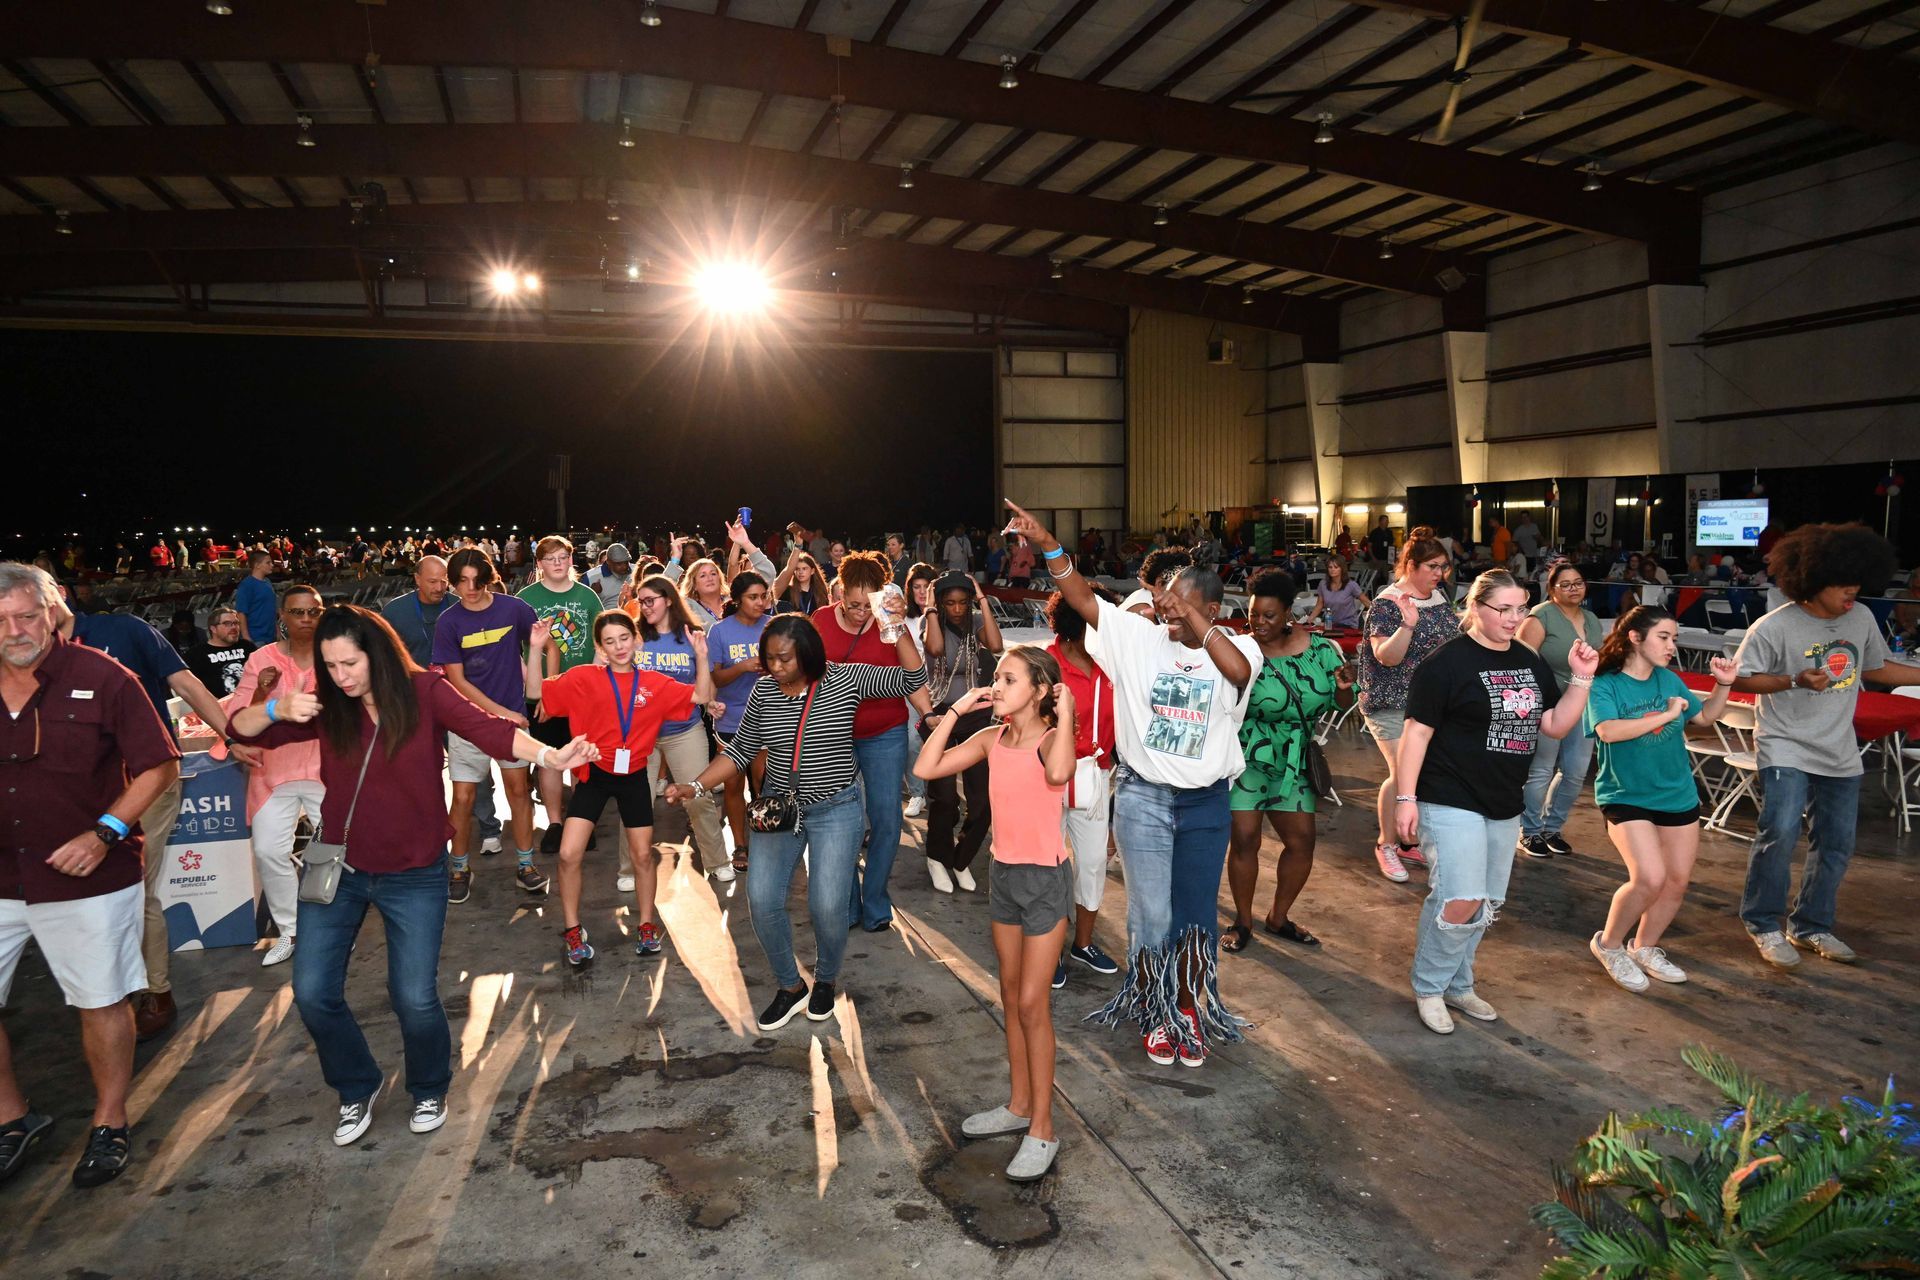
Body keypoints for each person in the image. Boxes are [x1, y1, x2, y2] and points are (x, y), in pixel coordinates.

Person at [229, 606, 594, 1146]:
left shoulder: (424, 692)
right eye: (330, 666)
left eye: (349, 663)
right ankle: (357, 1085)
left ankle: (428, 1085)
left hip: (415, 873)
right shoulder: (326, 702)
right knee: (311, 992)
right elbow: (238, 727)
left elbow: (489, 730)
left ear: (376, 653)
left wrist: (550, 756)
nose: (340, 676)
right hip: (341, 868)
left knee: (414, 998)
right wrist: (276, 706)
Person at [1004, 501, 1253, 1069]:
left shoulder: (1241, 650)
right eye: (1167, 601)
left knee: (1195, 916)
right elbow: (1079, 595)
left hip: (1207, 803)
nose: (1169, 612)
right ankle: (1156, 1009)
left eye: (1185, 604)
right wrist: (1047, 543)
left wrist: (1192, 620)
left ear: (1213, 611)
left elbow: (1237, 674)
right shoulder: (1138, 639)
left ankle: (1188, 1007)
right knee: (1152, 915)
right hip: (1143, 799)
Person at [0, 562, 180, 1188]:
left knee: (100, 999)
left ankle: (110, 1120)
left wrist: (105, 832)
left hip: (87, 876)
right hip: (1, 878)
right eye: (1, 620)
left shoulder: (103, 676)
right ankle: (12, 1119)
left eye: (27, 616)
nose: (15, 631)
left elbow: (159, 765)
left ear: (52, 613)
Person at [665, 613, 927, 1032]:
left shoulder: (847, 678)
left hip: (836, 808)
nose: (776, 666)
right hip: (779, 810)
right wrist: (694, 786)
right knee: (761, 898)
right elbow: (740, 751)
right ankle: (790, 986)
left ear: (807, 654)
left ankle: (825, 980)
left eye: (784, 658)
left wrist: (896, 628)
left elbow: (913, 678)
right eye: (769, 658)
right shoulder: (764, 691)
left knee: (828, 905)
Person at [1395, 570, 1596, 1035]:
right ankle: (1429, 986)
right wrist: (1405, 797)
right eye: (1502, 609)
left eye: (1520, 608)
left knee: (1485, 901)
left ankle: (1458, 983)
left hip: (1504, 799)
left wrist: (1582, 678)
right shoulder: (1445, 662)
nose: (1513, 618)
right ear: (1475, 607)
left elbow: (1554, 724)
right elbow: (1416, 734)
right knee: (1460, 897)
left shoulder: (1527, 659)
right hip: (1449, 794)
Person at [915, 647, 1076, 1183]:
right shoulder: (991, 739)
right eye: (997, 678)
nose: (997, 686)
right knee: (1009, 995)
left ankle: (1044, 1129)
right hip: (1003, 876)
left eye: (1009, 679)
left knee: (1032, 1003)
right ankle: (1019, 1105)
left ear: (1039, 690)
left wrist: (1066, 713)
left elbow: (1061, 772)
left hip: (1045, 882)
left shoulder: (1049, 741)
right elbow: (926, 767)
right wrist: (956, 710)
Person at [1731, 523, 1920, 968]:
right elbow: (1740, 678)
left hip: (1839, 748)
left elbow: (1876, 668)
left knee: (1836, 843)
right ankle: (1763, 923)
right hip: (1785, 744)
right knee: (1780, 832)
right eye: (1841, 582)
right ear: (1812, 581)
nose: (1852, 590)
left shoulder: (1861, 617)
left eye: (1857, 580)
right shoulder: (1773, 626)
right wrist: (1794, 680)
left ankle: (1811, 924)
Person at [65, 595, 235, 1042]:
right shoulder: (29, 655)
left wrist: (232, 736)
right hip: (76, 791)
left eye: (24, 611)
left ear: (55, 597)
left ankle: (155, 993)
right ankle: (106, 993)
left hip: (146, 779)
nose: (15, 624)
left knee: (134, 888)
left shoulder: (123, 629)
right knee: (87, 896)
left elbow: (188, 685)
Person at [535, 611, 712, 966]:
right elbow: (533, 692)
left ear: (636, 640)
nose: (618, 647)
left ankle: (646, 925)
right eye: (610, 641)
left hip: (633, 776)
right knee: (568, 854)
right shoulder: (584, 677)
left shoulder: (654, 683)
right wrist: (536, 648)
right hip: (594, 774)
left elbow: (701, 695)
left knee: (642, 855)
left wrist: (702, 656)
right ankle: (572, 929)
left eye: (624, 638)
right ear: (600, 647)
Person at [1584, 606, 1737, 991]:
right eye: (1664, 637)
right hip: (1625, 795)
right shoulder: (1605, 684)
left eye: (1675, 639)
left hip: (1677, 793)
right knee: (1649, 878)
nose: (1672, 646)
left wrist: (1723, 685)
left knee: (1676, 882)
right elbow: (1609, 731)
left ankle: (1644, 947)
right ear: (1635, 638)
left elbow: (1705, 718)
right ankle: (1609, 945)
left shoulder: (1669, 680)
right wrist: (1667, 716)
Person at [1224, 571, 1354, 954]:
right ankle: (1242, 921)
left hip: (1295, 759)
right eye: (1253, 615)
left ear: (1288, 615)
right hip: (1248, 755)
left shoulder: (1321, 651)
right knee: (1244, 838)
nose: (1259, 623)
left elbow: (1342, 703)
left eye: (1269, 616)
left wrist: (1344, 689)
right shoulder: (1242, 651)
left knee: (1301, 842)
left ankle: (1278, 917)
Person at [816, 551, 932, 927]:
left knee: (886, 818)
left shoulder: (888, 622)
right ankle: (849, 900)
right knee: (843, 820)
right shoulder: (821, 621)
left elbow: (914, 674)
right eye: (853, 604)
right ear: (841, 590)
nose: (861, 612)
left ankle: (876, 897)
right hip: (835, 735)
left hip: (885, 732)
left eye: (868, 605)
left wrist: (896, 624)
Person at [434, 548, 552, 903]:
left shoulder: (514, 609)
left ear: (488, 578)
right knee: (463, 797)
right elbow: (456, 680)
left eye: (477, 580)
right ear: (453, 584)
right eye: (462, 581)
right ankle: (459, 868)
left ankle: (526, 865)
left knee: (519, 791)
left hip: (512, 719)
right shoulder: (448, 622)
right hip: (468, 723)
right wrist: (499, 713)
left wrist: (546, 693)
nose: (470, 588)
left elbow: (545, 647)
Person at [223, 585, 328, 968]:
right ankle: (290, 930)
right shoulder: (261, 658)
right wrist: (264, 694)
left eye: (313, 612)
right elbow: (238, 716)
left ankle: (332, 929)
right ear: (282, 616)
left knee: (335, 852)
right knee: (268, 851)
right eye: (297, 612)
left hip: (326, 768)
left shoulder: (334, 653)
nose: (305, 619)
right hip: (272, 769)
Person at [381, 557, 504, 858]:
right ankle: (427, 832)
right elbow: (383, 658)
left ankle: (489, 828)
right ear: (416, 579)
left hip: (458, 700)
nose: (439, 587)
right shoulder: (395, 611)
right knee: (419, 771)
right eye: (432, 581)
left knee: (475, 768)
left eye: (444, 581)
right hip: (413, 703)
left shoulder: (461, 606)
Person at [1355, 530, 1459, 883]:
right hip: (1390, 702)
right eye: (1433, 566)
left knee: (1422, 774)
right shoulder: (1388, 603)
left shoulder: (1438, 597)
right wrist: (1407, 626)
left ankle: (1407, 842)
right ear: (1411, 565)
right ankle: (1386, 844)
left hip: (1430, 703)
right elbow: (1386, 656)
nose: (1440, 574)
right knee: (1402, 774)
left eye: (1443, 566)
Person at [629, 575, 731, 882]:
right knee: (635, 802)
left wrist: (710, 702)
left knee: (699, 797)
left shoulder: (692, 635)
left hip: (684, 729)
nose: (645, 607)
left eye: (650, 600)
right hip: (641, 733)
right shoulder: (634, 635)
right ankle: (628, 868)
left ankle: (717, 861)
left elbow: (704, 683)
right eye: (641, 601)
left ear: (669, 600)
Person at [1046, 589, 1121, 985]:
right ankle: (1050, 949)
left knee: (1092, 863)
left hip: (1095, 776)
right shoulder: (1046, 664)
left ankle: (1083, 943)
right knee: (1049, 865)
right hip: (1048, 776)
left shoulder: (1114, 664)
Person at [518, 536, 605, 857]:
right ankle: (555, 823)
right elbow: (515, 649)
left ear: (571, 560)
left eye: (562, 557)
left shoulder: (587, 596)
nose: (557, 563)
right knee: (550, 760)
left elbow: (601, 642)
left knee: (581, 758)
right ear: (539, 563)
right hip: (541, 694)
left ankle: (580, 820)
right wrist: (534, 688)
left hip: (581, 694)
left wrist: (594, 682)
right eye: (550, 558)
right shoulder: (525, 599)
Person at [1515, 562, 1609, 858]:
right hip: (1548, 704)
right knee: (1541, 771)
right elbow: (1522, 662)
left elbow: (1600, 658)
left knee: (1575, 773)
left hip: (1583, 704)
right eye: (1565, 584)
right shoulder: (1540, 616)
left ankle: (1552, 828)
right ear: (1552, 589)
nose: (1573, 589)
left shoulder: (1591, 618)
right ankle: (1529, 831)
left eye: (1578, 582)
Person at [919, 573, 1005, 893]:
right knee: (944, 798)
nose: (956, 609)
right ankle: (937, 858)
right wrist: (930, 607)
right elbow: (936, 649)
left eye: (962, 603)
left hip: (976, 716)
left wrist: (982, 598)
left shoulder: (976, 622)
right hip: (940, 717)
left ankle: (961, 858)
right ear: (940, 603)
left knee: (982, 800)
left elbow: (996, 645)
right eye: (950, 603)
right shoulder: (930, 622)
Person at [708, 572, 773, 871]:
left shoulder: (772, 626)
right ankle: (740, 845)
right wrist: (743, 667)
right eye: (753, 597)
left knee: (764, 786)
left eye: (764, 596)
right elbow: (716, 678)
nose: (760, 602)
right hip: (731, 720)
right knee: (733, 786)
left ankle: (766, 840)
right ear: (737, 600)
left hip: (768, 718)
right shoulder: (720, 631)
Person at [900, 562, 941, 819]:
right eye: (917, 586)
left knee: (940, 741)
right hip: (913, 687)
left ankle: (940, 792)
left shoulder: (944, 615)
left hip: (942, 687)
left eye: (927, 586)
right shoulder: (905, 618)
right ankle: (917, 793)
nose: (922, 592)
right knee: (912, 739)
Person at [185, 605, 254, 697]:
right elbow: (189, 687)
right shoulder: (197, 654)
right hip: (218, 703)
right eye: (227, 624)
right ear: (213, 629)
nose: (234, 627)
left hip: (252, 700)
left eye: (236, 623)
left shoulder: (247, 647)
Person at [1308, 557, 1369, 631]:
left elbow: (1366, 602)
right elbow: (1319, 604)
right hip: (1330, 624)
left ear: (1342, 569)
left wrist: (1379, 615)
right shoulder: (1323, 584)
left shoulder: (1351, 585)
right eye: (1330, 567)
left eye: (1336, 567)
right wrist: (1309, 620)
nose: (1332, 569)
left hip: (1348, 624)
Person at [234, 549, 278, 645]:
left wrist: (277, 632)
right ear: (257, 565)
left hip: (271, 636)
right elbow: (241, 613)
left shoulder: (267, 582)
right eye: (268, 563)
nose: (272, 565)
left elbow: (272, 609)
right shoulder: (247, 585)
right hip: (256, 637)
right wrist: (246, 637)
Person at [772, 549, 827, 616]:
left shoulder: (821, 591)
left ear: (812, 571)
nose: (800, 572)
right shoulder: (787, 591)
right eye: (797, 569)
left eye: (804, 568)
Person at [584, 543, 634, 610]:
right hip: (604, 615)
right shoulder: (591, 577)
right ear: (608, 562)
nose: (624, 567)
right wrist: (592, 593)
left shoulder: (636, 571)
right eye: (619, 564)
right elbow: (580, 604)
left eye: (626, 562)